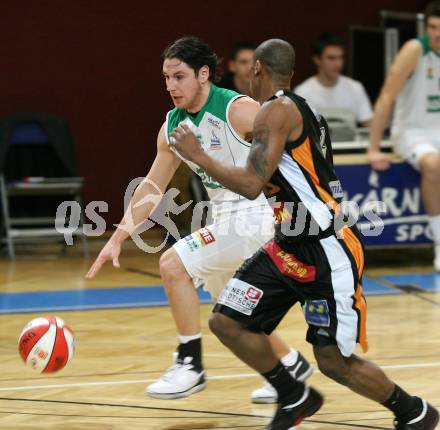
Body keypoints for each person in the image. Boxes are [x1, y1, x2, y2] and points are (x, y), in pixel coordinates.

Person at [171, 38, 439, 430]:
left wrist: (200, 156)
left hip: (326, 248)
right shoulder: (297, 107)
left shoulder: (274, 112)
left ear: (257, 69)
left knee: (333, 361)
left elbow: (249, 183)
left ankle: (413, 411)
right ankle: (294, 394)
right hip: (288, 243)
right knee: (228, 320)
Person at [86, 36, 312, 403]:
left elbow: (290, 131)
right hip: (224, 215)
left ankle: (190, 364)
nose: (171, 86)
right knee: (233, 313)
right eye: (166, 78)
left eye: (179, 77)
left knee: (172, 263)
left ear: (203, 74)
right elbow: (152, 187)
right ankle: (289, 364)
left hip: (256, 215)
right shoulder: (172, 125)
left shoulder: (236, 109)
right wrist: (118, 236)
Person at [368, 0, 440, 271]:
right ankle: (439, 243)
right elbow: (387, 96)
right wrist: (373, 147)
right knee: (433, 164)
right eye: (433, 27)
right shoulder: (414, 50)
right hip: (412, 130)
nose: (437, 33)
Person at [295, 33, 373, 127]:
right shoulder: (302, 93)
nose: (338, 64)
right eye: (331, 58)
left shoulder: (355, 88)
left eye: (341, 57)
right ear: (317, 60)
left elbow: (369, 124)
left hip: (349, 141)